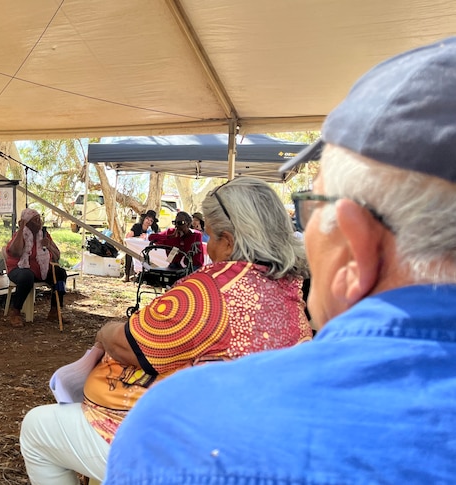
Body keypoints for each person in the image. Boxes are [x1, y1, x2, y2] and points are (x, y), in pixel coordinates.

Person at [105, 37, 456, 484]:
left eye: (313, 208)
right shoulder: (289, 284)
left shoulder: (182, 430)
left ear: (355, 244)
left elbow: (137, 345)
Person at [20, 176, 312, 484]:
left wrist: (104, 332)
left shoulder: (212, 292)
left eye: (210, 237)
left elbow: (130, 345)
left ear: (228, 242)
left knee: (38, 429)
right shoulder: (291, 291)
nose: (208, 247)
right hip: (266, 448)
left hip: (205, 456)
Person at [5, 208, 67, 327]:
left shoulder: (44, 234)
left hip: (41, 270)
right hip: (18, 269)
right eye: (35, 220)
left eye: (40, 219)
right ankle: (16, 312)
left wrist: (49, 246)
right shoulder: (20, 234)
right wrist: (21, 229)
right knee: (26, 276)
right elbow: (15, 252)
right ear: (26, 222)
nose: (39, 223)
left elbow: (57, 256)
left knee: (60, 273)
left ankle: (55, 310)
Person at [122, 209, 160, 282]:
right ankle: (126, 274)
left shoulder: (155, 228)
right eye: (147, 219)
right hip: (136, 247)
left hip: (148, 248)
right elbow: (129, 236)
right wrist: (137, 237)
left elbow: (157, 238)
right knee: (128, 252)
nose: (148, 221)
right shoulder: (137, 226)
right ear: (144, 219)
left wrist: (148, 236)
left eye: (151, 221)